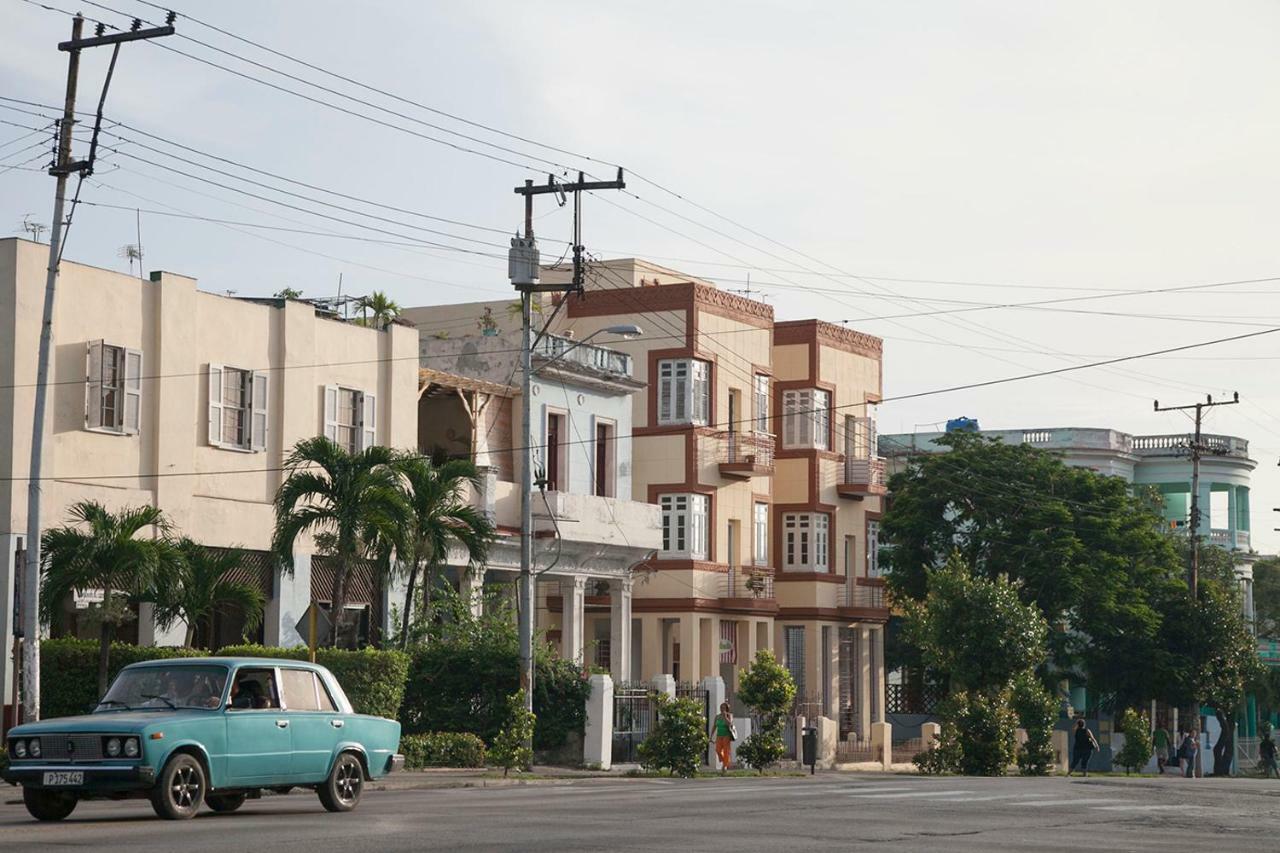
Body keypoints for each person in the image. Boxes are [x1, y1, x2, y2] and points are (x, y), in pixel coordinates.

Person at [712, 702, 737, 774]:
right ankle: (725, 761)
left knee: (726, 751)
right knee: (718, 750)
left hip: (726, 735)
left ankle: (725, 766)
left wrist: (725, 717)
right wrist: (711, 736)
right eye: (721, 708)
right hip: (719, 735)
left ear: (726, 709)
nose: (722, 709)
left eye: (723, 708)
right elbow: (714, 726)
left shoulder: (729, 715)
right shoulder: (717, 716)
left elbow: (730, 724)